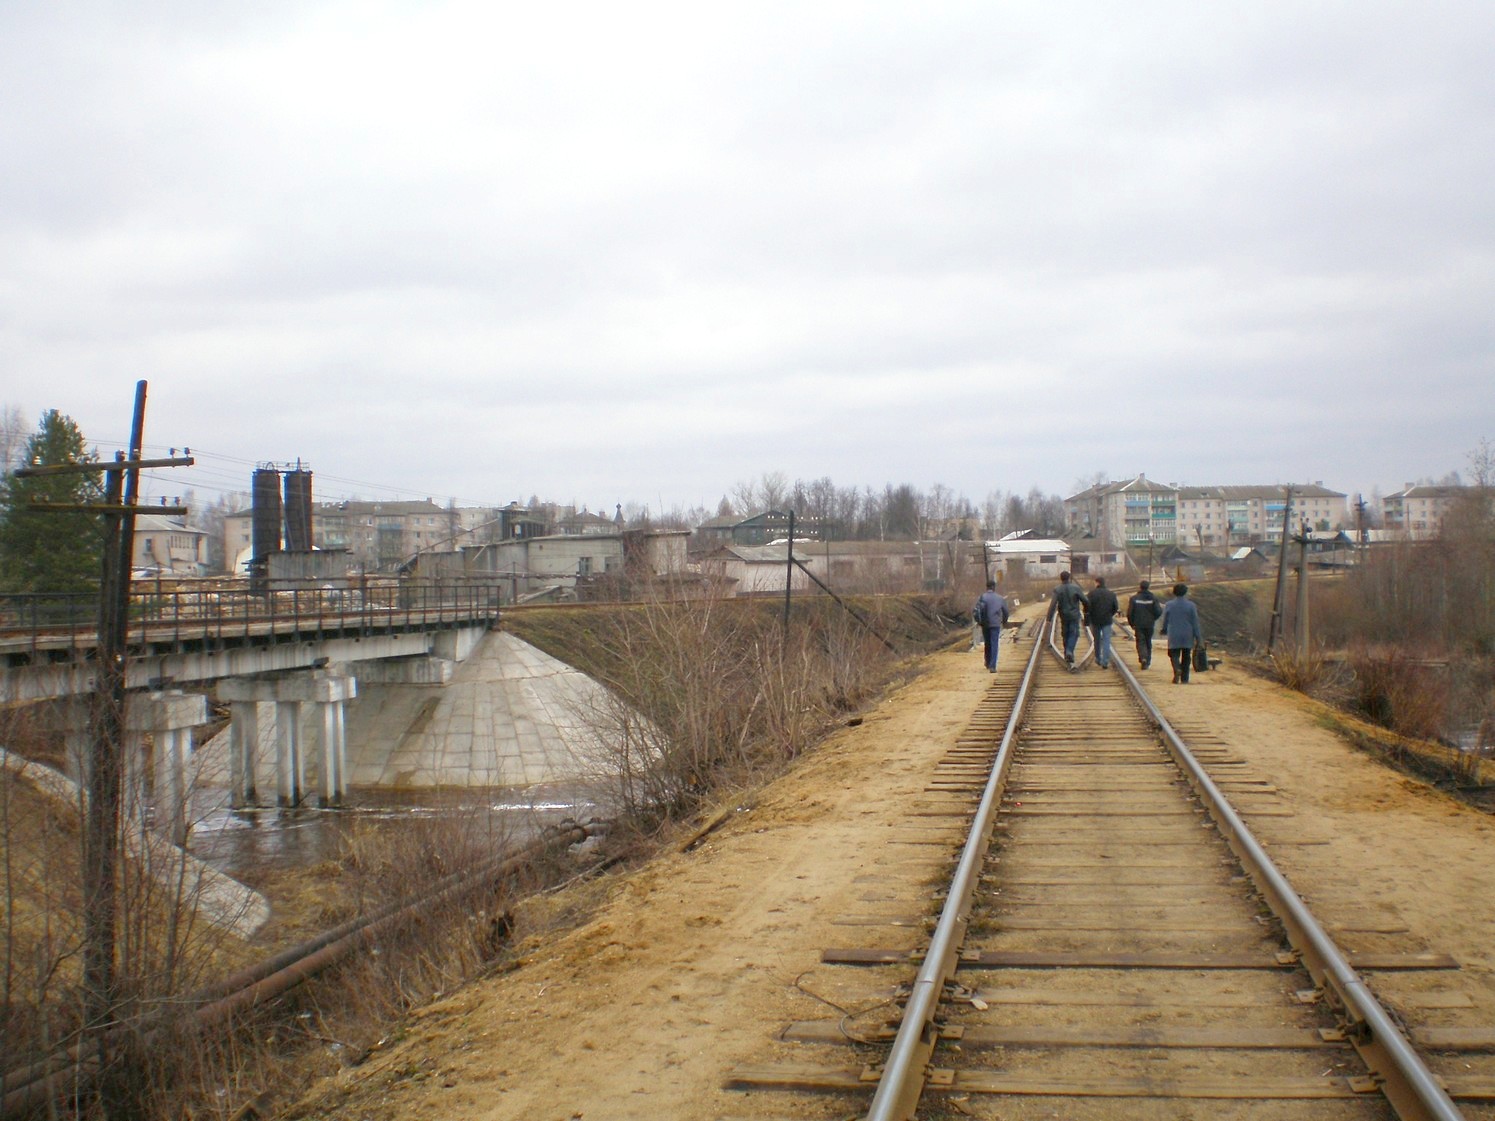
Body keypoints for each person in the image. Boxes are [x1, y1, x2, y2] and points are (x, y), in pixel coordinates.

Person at [1159, 582, 1203, 684]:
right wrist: (1198, 637)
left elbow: (1166, 619)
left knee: (1173, 654)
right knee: (1186, 656)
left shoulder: (1169, 604)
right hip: (1188, 634)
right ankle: (1185, 678)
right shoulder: (1191, 605)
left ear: (1174, 592)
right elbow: (1195, 622)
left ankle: (1177, 668)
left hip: (1174, 633)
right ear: (1185, 592)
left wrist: (1164, 629)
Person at [1045, 570, 1089, 667]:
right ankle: (1069, 651)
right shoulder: (1076, 588)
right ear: (1069, 578)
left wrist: (1049, 618)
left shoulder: (1057, 589)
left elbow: (1053, 604)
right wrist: (1086, 611)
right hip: (1074, 615)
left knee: (1065, 633)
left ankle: (1067, 654)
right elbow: (1085, 601)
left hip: (1063, 615)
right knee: (1074, 633)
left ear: (1061, 578)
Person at [974, 580, 1010, 673]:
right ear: (994, 587)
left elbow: (977, 610)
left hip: (985, 623)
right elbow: (1006, 611)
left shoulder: (982, 597)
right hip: (995, 624)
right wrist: (1004, 621)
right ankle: (993, 666)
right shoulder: (1000, 598)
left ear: (986, 587)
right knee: (994, 644)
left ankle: (987, 661)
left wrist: (979, 621)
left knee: (987, 643)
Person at [1126, 579, 1162, 669]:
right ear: (1148, 587)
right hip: (1149, 624)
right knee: (1148, 641)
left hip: (1138, 624)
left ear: (1140, 587)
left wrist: (1132, 623)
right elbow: (1158, 611)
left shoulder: (1134, 598)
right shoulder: (1153, 598)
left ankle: (1143, 658)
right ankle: (1148, 660)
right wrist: (1153, 618)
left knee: (1140, 641)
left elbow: (1130, 613)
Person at [1085, 576, 1119, 669]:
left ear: (1097, 583)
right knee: (1107, 640)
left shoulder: (1091, 594)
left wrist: (1088, 618)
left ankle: (1098, 658)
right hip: (1107, 620)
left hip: (1095, 620)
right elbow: (1115, 607)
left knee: (1097, 640)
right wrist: (1110, 614)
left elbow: (1087, 607)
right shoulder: (1111, 594)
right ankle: (1105, 661)